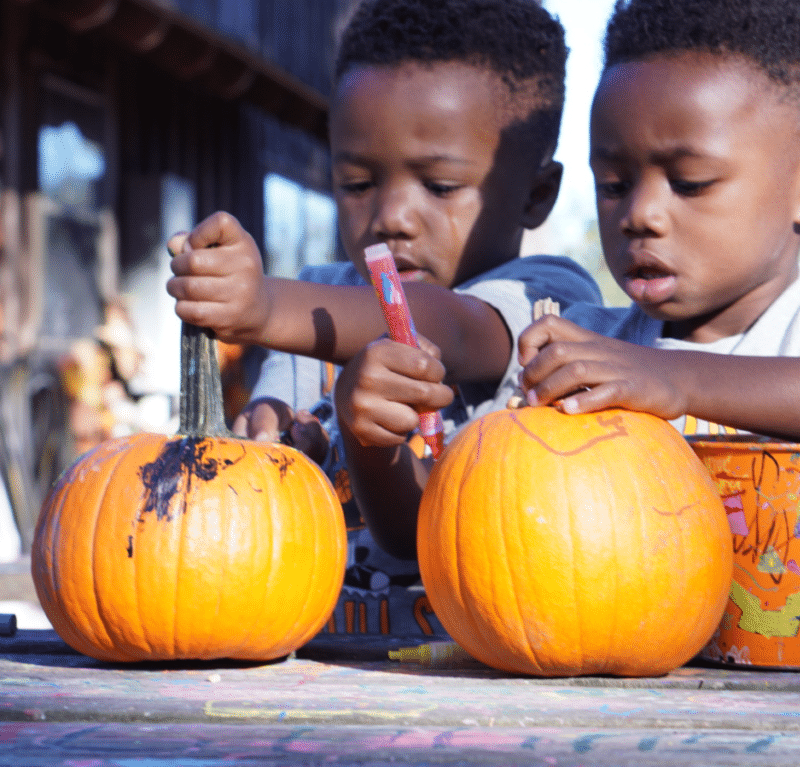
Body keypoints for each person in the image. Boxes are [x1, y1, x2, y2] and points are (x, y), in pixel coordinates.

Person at [515, 0, 800, 648]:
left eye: (688, 182)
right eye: (613, 183)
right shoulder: (587, 343)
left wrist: (676, 377)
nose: (641, 213)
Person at [166, 0, 601, 637]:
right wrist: (272, 443)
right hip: (318, 670)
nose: (392, 215)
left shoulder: (547, 298)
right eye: (359, 182)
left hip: (480, 676)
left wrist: (261, 307)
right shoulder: (312, 299)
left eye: (441, 187)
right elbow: (270, 440)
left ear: (536, 195)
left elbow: (444, 326)